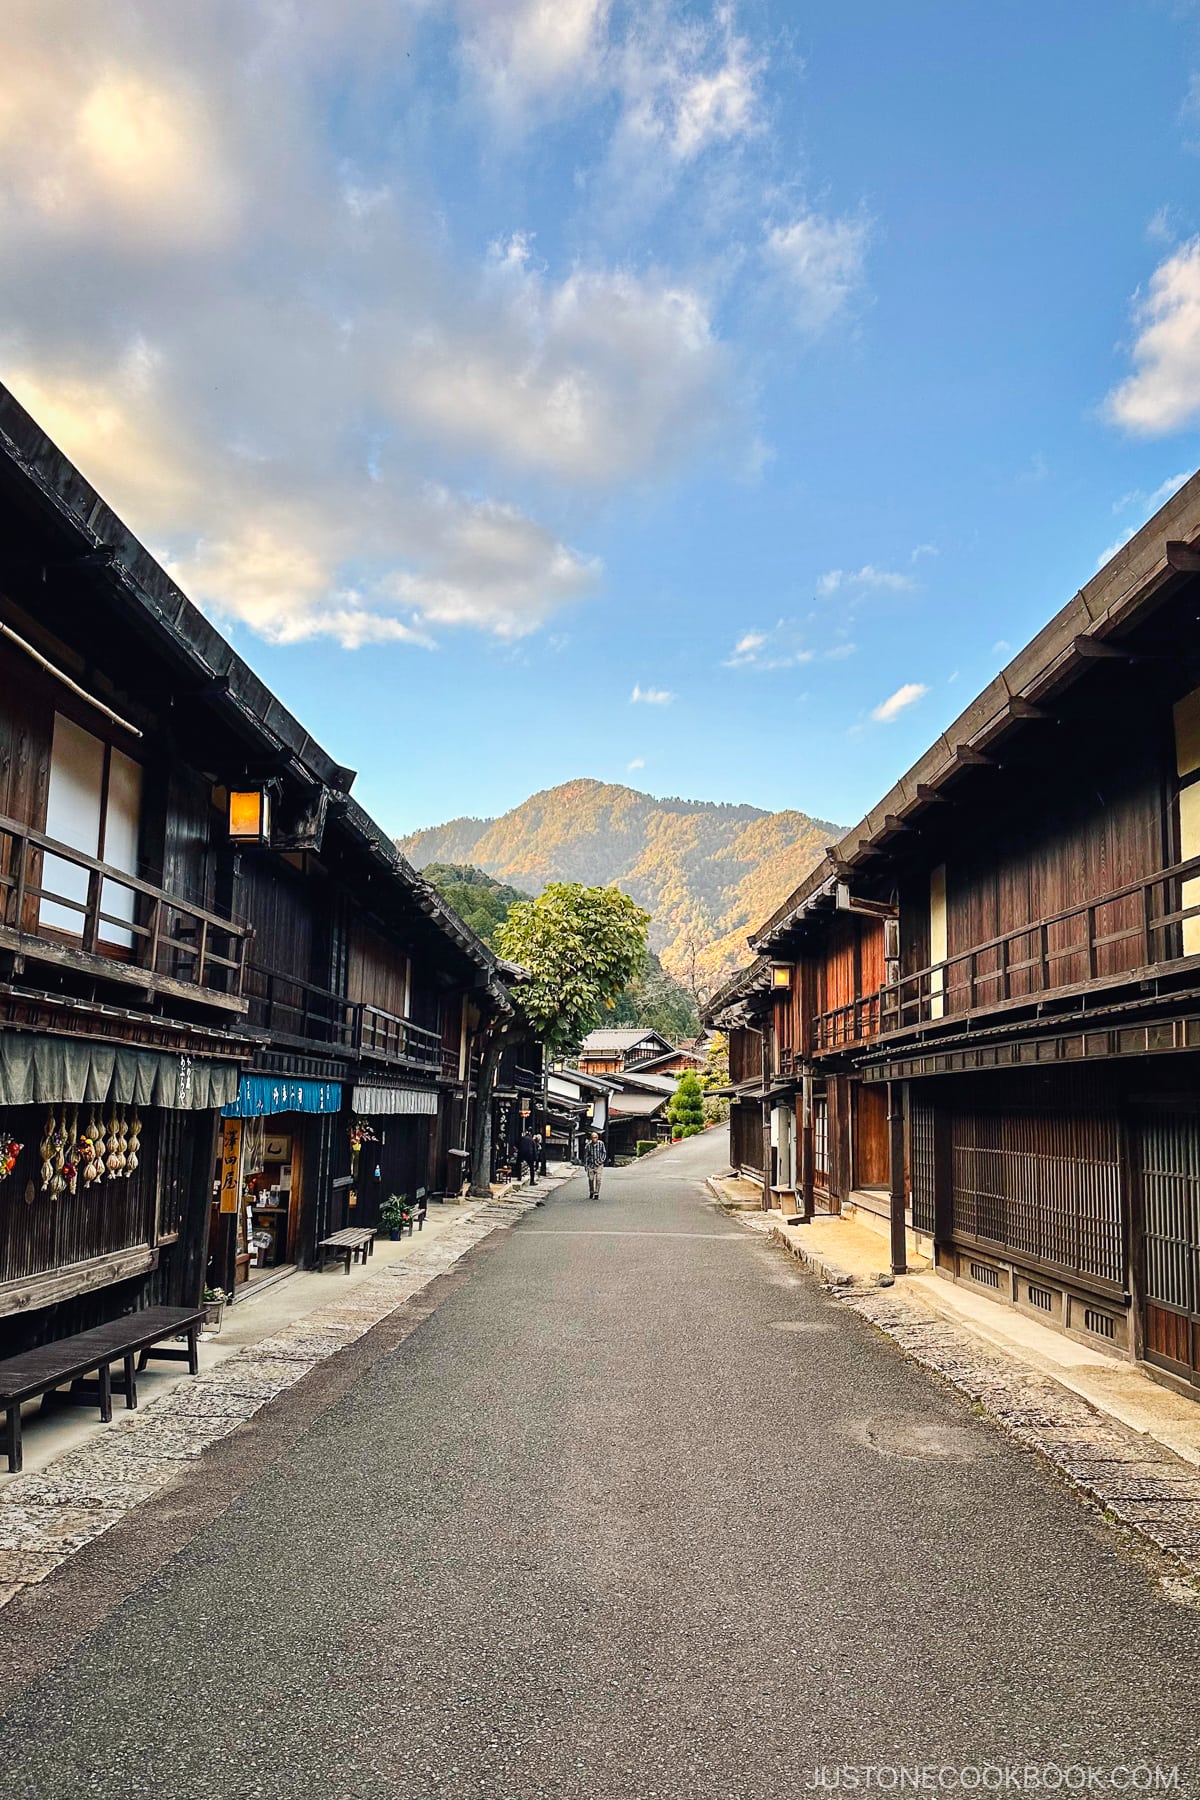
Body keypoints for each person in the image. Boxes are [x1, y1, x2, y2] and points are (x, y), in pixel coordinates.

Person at [582, 1130, 607, 1200]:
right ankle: (591, 1191)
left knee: (598, 1179)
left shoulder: (601, 1144)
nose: (594, 1139)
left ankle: (597, 1193)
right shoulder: (588, 1146)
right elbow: (586, 1156)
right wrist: (586, 1165)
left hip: (599, 1164)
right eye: (593, 1137)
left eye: (596, 1137)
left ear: (598, 1138)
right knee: (591, 1179)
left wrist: (601, 1161)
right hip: (591, 1164)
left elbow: (604, 1153)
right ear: (591, 1138)